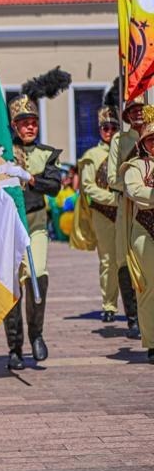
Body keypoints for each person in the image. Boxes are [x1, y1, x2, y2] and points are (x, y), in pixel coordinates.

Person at [3, 67, 70, 370]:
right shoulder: (2, 152)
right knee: (12, 287)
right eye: (23, 123)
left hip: (36, 222)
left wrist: (30, 178)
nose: (29, 127)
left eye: (33, 122)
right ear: (14, 126)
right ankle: (14, 346)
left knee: (37, 275)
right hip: (8, 226)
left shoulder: (46, 154)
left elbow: (54, 187)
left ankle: (37, 335)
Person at [78, 102, 131, 323]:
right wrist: (112, 199)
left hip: (126, 213)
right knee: (108, 260)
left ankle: (132, 309)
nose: (109, 131)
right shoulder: (92, 154)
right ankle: (109, 305)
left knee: (126, 260)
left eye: (113, 127)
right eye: (105, 127)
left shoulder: (126, 150)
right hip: (102, 213)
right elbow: (88, 186)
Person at [106, 90, 144, 339]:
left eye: (141, 108)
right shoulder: (120, 140)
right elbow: (112, 179)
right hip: (128, 206)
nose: (138, 113)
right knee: (124, 260)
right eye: (133, 110)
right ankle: (132, 317)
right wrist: (132, 184)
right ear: (127, 115)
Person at [120, 105, 154, 363]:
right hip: (145, 232)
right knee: (150, 288)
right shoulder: (136, 166)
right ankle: (152, 342)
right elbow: (135, 191)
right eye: (151, 139)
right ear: (144, 143)